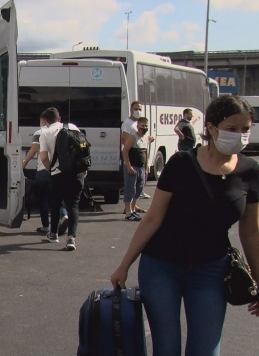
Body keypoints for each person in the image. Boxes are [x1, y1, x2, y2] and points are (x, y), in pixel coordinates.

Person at [110, 95, 259, 356]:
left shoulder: (250, 171)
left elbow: (250, 230)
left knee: (206, 349)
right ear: (211, 128)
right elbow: (153, 218)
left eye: (245, 129)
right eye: (232, 128)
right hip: (161, 268)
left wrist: (258, 279)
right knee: (166, 348)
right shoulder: (181, 164)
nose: (240, 135)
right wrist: (124, 265)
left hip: (211, 271)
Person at [38, 108, 84, 250]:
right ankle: (71, 238)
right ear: (59, 118)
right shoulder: (72, 127)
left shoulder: (44, 133)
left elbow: (44, 157)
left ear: (45, 121)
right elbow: (82, 148)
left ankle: (53, 234)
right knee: (73, 205)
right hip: (76, 172)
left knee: (56, 203)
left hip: (58, 173)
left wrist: (49, 169)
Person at [22, 113, 69, 235]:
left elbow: (33, 151)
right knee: (59, 196)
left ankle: (45, 226)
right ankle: (63, 216)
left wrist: (24, 162)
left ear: (43, 121)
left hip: (43, 170)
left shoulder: (39, 133)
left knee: (43, 198)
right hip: (59, 169)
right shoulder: (62, 132)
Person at [121, 101, 154, 206]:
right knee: (131, 186)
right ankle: (128, 209)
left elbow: (143, 145)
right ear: (131, 109)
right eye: (136, 109)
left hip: (140, 160)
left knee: (139, 187)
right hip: (132, 159)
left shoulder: (140, 123)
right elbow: (125, 141)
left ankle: (133, 207)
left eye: (140, 109)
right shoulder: (127, 123)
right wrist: (128, 164)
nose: (138, 111)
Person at [122, 117, 151, 221]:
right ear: (138, 126)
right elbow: (125, 151)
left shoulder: (146, 138)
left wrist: (147, 166)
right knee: (130, 189)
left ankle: (133, 210)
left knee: (139, 189)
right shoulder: (133, 137)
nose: (144, 128)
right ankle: (128, 212)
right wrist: (128, 166)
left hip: (141, 167)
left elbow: (145, 153)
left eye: (146, 126)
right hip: (132, 167)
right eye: (142, 126)